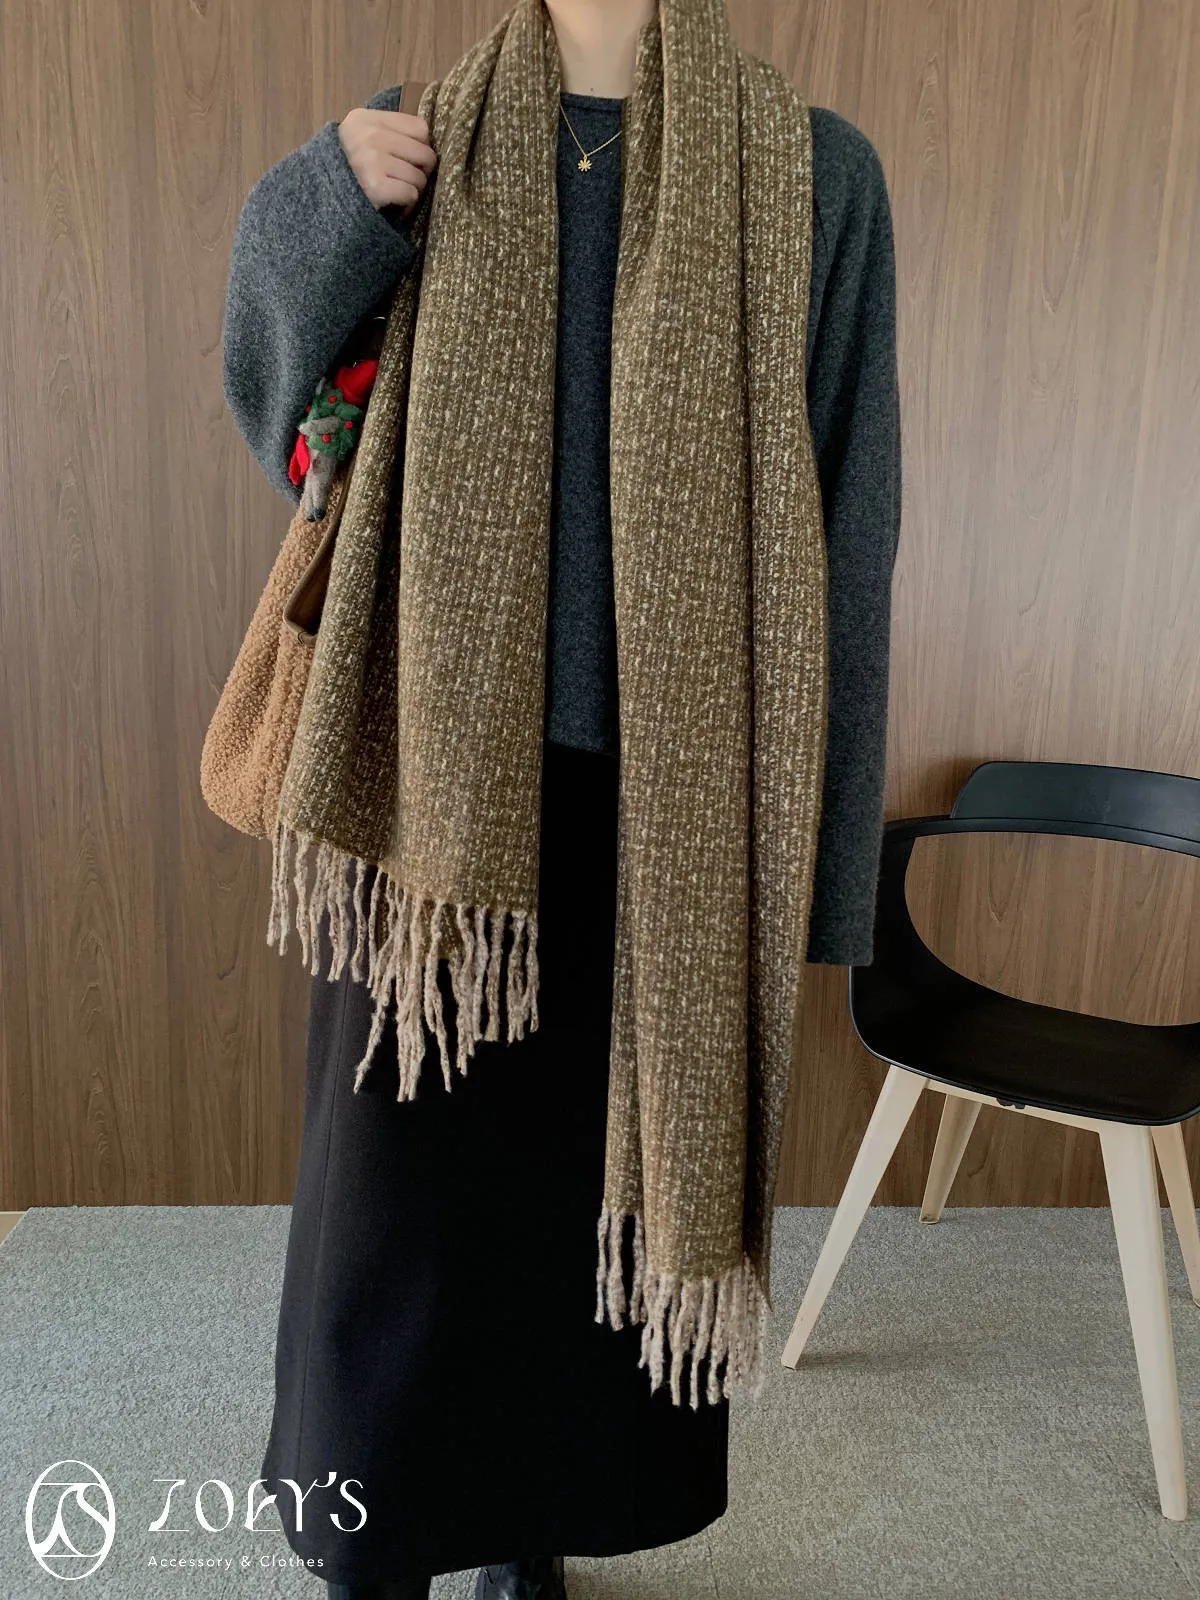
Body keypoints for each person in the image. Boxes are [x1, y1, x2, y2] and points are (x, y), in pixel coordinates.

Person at [221, 0, 901, 1595]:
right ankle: (372, 1539)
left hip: (678, 802)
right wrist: (322, 200)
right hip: (424, 780)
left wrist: (823, 870)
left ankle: (523, 1529)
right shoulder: (413, 143)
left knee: (578, 1224)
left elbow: (850, 530)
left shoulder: (813, 173)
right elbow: (294, 438)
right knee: (389, 1219)